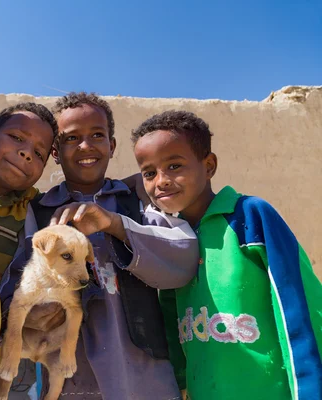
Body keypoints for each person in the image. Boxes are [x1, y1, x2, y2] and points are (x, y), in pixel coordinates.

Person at [1, 92, 200, 399]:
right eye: (71, 138)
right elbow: (15, 287)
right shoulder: (39, 212)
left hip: (141, 376)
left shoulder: (135, 202)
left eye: (97, 135)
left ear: (112, 145)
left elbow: (183, 260)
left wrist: (113, 224)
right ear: (55, 151)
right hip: (70, 382)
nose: (86, 146)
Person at [132, 110, 322, 400]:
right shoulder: (171, 237)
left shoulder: (250, 217)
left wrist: (309, 390)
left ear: (209, 166)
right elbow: (170, 317)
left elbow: (296, 309)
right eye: (149, 173)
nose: (161, 181)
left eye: (174, 165)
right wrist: (181, 382)